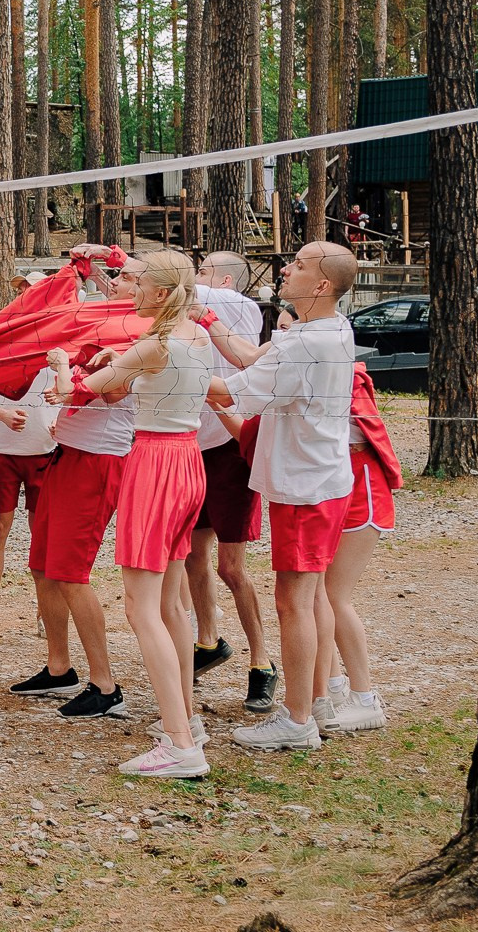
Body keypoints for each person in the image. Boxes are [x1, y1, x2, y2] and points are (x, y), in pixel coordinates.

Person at [54, 249, 217, 779]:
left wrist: (60, 360)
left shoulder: (155, 344)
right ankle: (184, 721)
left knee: (140, 606)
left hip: (154, 465)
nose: (128, 286)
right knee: (170, 604)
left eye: (136, 280)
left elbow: (74, 393)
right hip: (188, 459)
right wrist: (117, 363)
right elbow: (144, 375)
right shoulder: (196, 336)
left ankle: (179, 743)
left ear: (163, 293)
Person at [205, 240, 360, 751]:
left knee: (292, 601)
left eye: (298, 265)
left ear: (321, 285)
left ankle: (296, 721)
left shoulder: (304, 343)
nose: (286, 269)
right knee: (308, 597)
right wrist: (206, 320)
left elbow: (233, 390)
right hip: (321, 480)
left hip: (304, 488)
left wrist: (167, 364)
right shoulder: (330, 329)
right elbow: (254, 360)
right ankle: (316, 700)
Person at [23, 251, 137, 718]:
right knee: (43, 566)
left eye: (124, 277)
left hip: (99, 459)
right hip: (67, 452)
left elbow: (113, 390)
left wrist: (65, 367)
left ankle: (104, 684)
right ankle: (58, 667)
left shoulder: (139, 330)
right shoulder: (107, 321)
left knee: (71, 572)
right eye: (113, 275)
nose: (113, 281)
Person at [185, 250, 272, 709]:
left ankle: (262, 663)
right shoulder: (197, 306)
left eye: (201, 271)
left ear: (221, 279)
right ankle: (208, 641)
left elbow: (172, 283)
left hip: (231, 450)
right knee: (193, 556)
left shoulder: (240, 306)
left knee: (231, 568)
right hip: (191, 448)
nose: (194, 279)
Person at [311, 363, 400, 735]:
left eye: (288, 327)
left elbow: (360, 434)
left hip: (362, 492)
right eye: (280, 328)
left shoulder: (343, 376)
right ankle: (334, 687)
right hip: (332, 489)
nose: (284, 334)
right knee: (314, 594)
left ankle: (365, 698)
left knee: (333, 595)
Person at [0, 363, 58, 687]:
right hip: (2, 451)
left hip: (44, 451)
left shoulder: (57, 357)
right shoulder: (3, 357)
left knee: (42, 536)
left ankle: (46, 615)